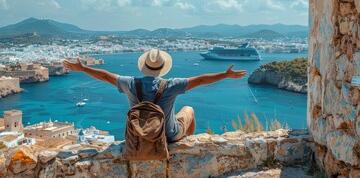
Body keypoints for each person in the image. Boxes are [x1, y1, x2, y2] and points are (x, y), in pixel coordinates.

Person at [63, 49, 247, 142]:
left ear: (143, 65)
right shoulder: (171, 85)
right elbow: (200, 80)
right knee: (188, 110)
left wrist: (83, 68)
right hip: (169, 135)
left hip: (139, 136)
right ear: (162, 67)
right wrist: (225, 74)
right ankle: (189, 142)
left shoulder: (129, 83)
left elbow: (104, 76)